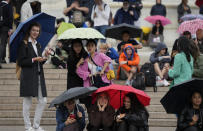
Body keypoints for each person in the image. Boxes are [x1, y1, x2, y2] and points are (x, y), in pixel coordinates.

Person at [17, 22, 51, 131]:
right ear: (29, 31)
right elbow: (21, 62)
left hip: (39, 76)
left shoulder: (38, 44)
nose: (35, 32)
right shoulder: (24, 43)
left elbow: (39, 62)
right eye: (33, 30)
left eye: (37, 30)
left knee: (43, 100)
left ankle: (36, 125)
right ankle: (28, 126)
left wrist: (45, 57)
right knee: (27, 102)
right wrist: (34, 59)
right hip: (28, 76)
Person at [0, 0, 13, 68]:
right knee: (3, 44)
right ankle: (1, 59)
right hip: (5, 28)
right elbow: (10, 18)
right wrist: (10, 28)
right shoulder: (8, 6)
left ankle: (2, 59)